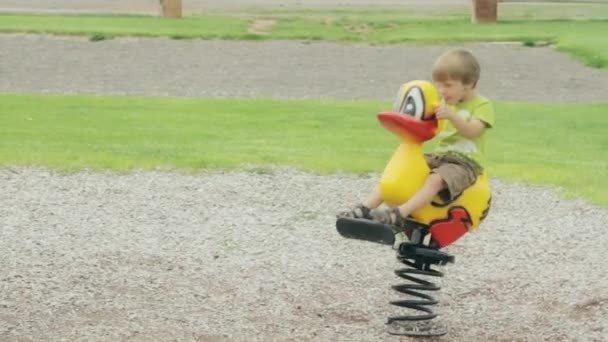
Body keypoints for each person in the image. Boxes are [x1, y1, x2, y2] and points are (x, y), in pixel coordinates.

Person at [340, 48, 495, 230]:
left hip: (465, 164)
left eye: (448, 85)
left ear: (468, 83)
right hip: (440, 157)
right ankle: (365, 209)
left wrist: (452, 116)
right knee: (402, 168)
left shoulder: (483, 106)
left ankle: (399, 213)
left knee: (435, 180)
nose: (441, 91)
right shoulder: (445, 104)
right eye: (438, 85)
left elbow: (472, 132)